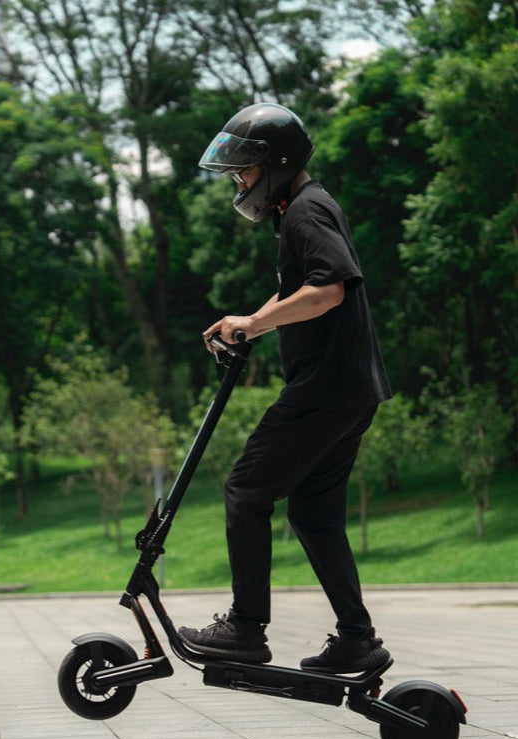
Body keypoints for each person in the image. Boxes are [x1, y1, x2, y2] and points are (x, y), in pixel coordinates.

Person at [178, 103, 393, 674]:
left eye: (243, 170)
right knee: (314, 516)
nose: (239, 181)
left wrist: (254, 324)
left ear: (273, 164)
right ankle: (357, 638)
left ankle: (246, 628)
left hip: (324, 388)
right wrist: (249, 318)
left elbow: (328, 289)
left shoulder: (305, 213)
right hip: (351, 390)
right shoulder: (302, 206)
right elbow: (302, 291)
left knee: (247, 492)